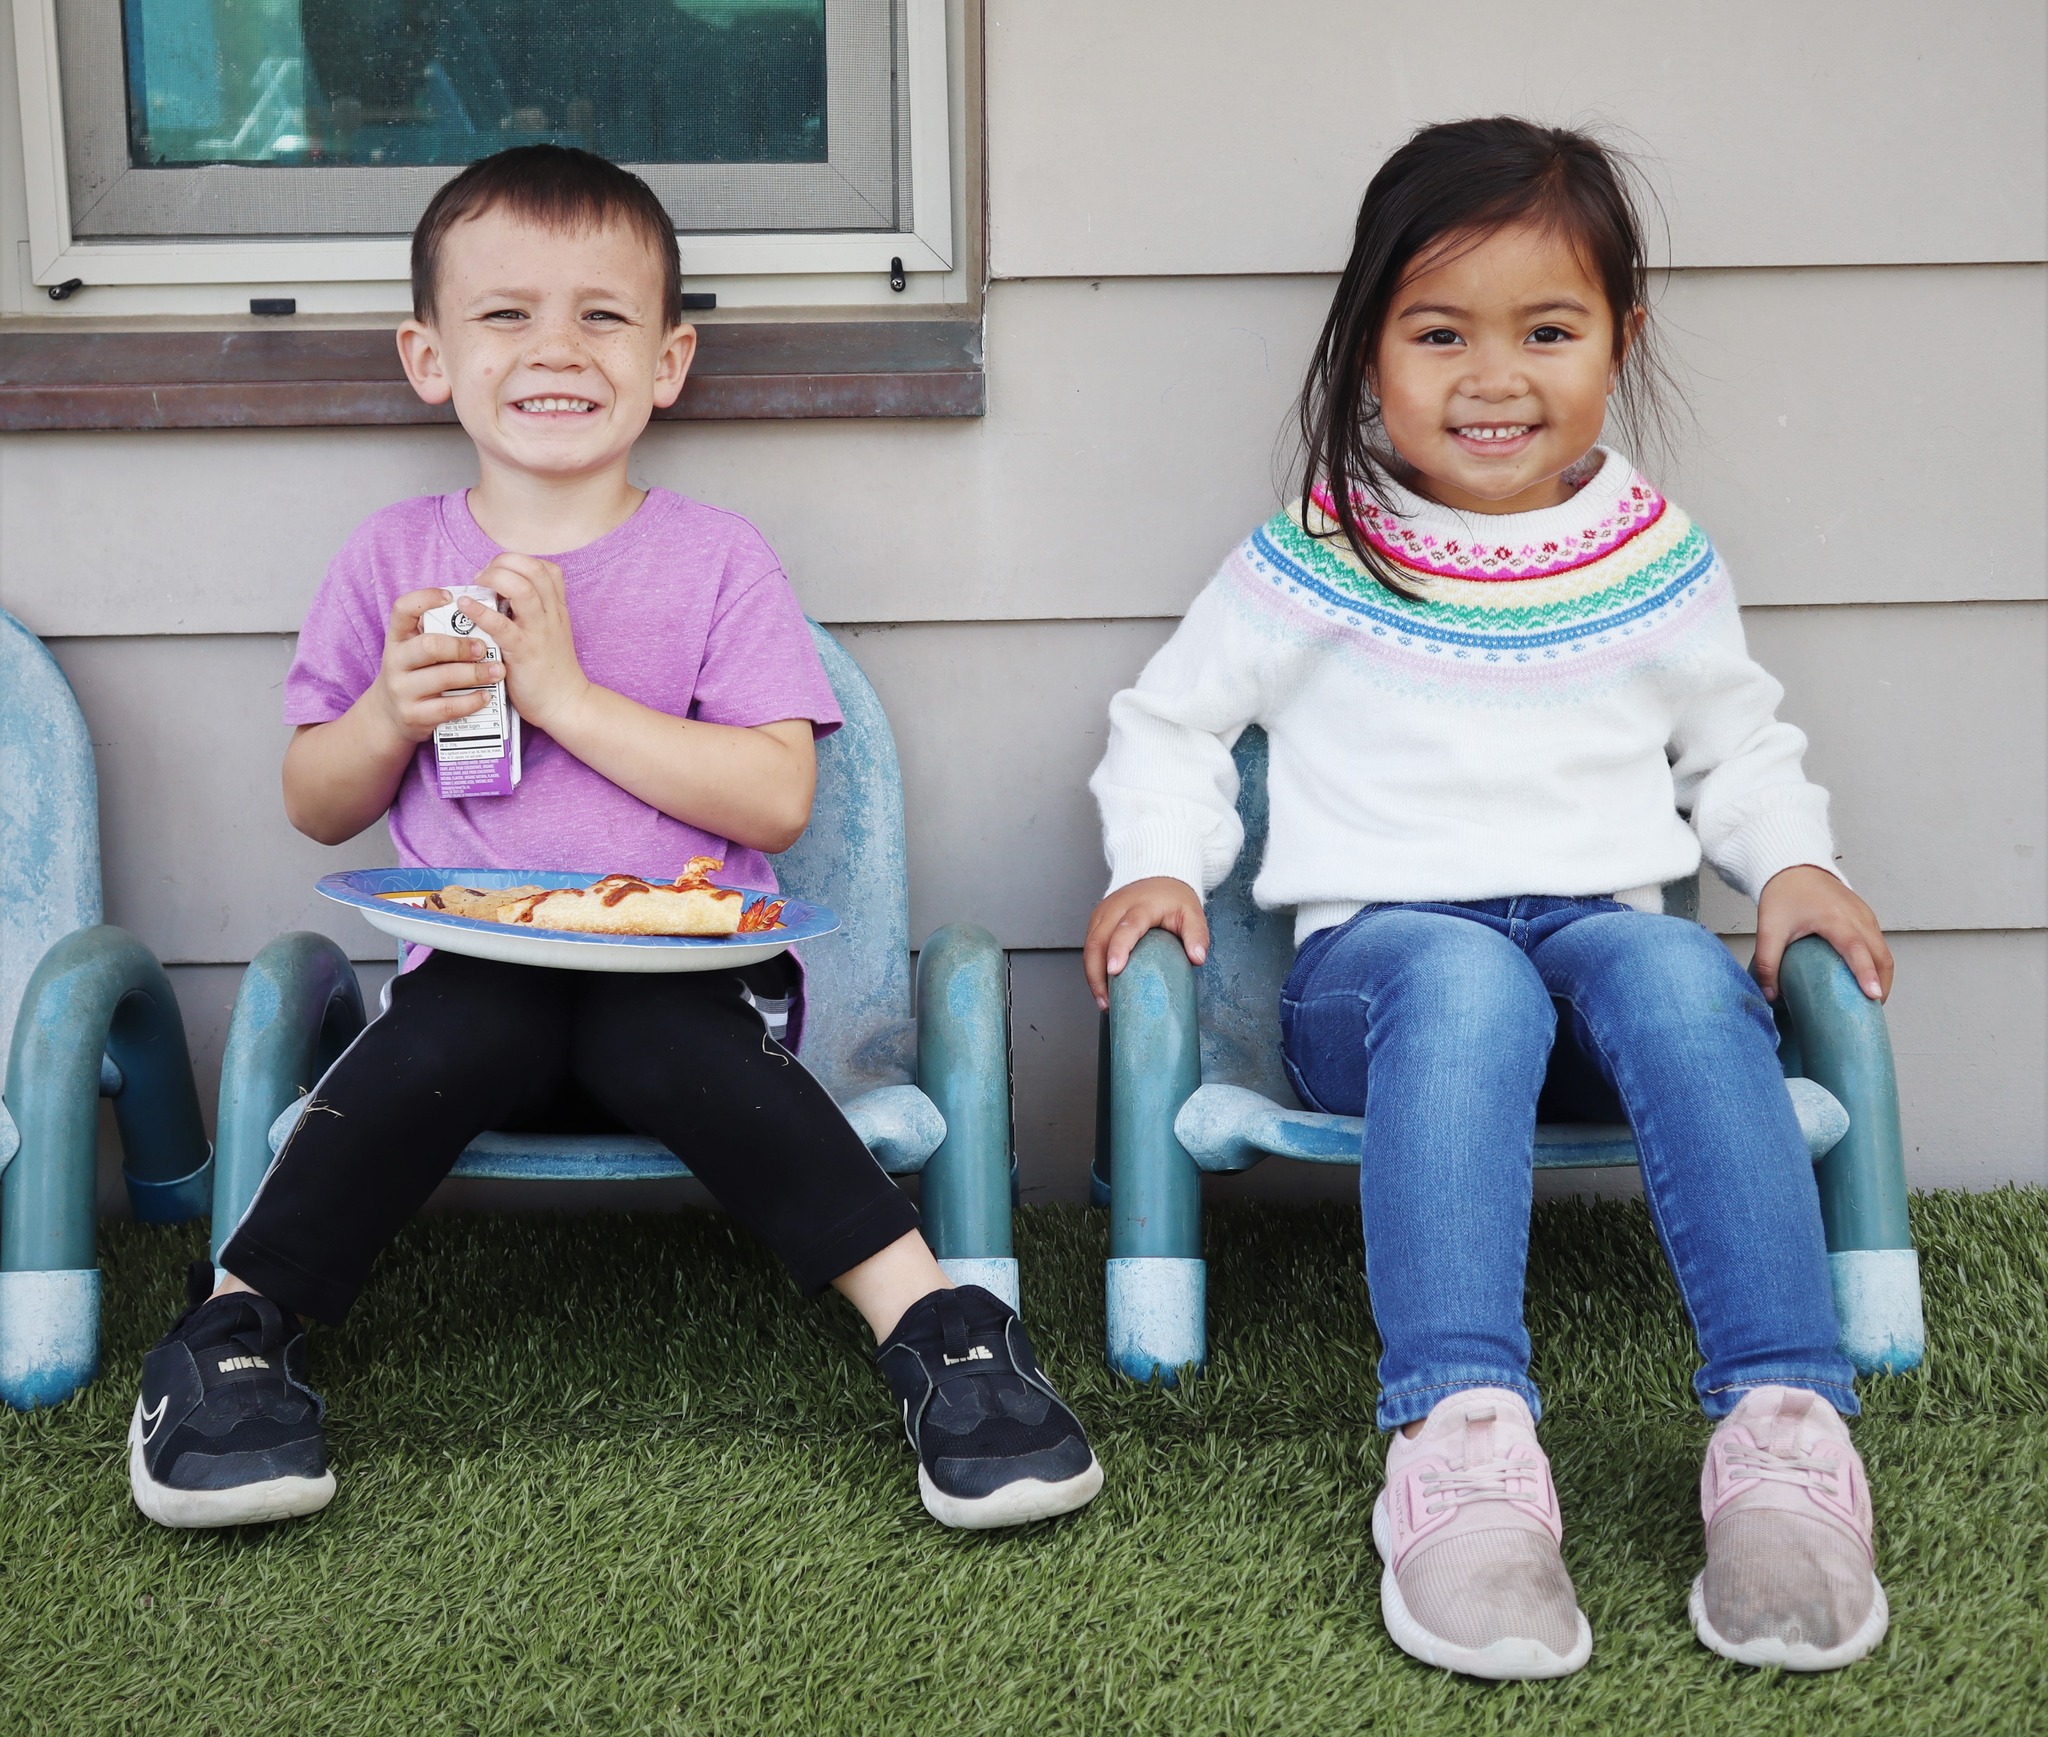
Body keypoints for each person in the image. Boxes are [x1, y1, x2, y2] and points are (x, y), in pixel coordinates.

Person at [130, 145, 1101, 1537]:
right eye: (505, 313)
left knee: (662, 1034)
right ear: (428, 356)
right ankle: (228, 1338)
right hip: (478, 994)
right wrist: (389, 716)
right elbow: (315, 800)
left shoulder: (716, 560)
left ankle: (943, 1332)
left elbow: (776, 802)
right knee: (469, 1016)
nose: (554, 348)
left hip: (682, 985)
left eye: (602, 315)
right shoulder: (392, 564)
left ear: (668, 360)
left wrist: (566, 697)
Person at [1084, 118, 1892, 1678]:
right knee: (1468, 979)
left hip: (1595, 957)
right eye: (1439, 332)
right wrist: (1161, 863)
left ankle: (1786, 1432)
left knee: (1674, 972)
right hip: (1381, 985)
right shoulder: (1320, 553)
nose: (1493, 375)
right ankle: (1460, 1447)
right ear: (1369, 347)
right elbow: (1170, 722)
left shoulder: (1653, 556)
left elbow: (1738, 742)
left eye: (1549, 330)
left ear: (1619, 341)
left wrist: (1789, 856)